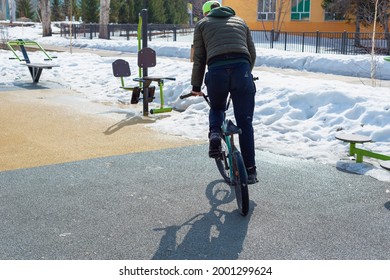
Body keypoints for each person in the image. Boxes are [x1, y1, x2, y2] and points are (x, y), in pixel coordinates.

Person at [191, 1, 258, 184]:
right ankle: (251, 171)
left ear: (207, 14)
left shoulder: (202, 25)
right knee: (245, 123)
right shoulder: (241, 21)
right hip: (242, 70)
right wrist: (245, 73)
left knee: (218, 107)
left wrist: (196, 86)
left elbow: (199, 58)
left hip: (217, 71)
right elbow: (251, 53)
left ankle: (214, 134)